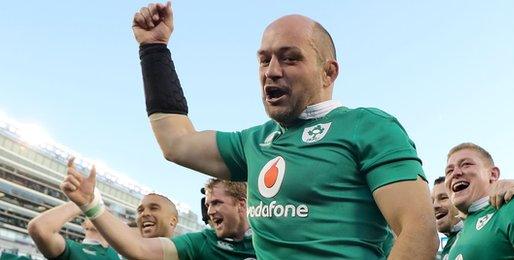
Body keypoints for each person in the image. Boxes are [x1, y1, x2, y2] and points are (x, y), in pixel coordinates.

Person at [129, 2, 438, 259]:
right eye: (264, 60)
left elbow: (419, 232)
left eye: (290, 59)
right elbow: (176, 142)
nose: (271, 71)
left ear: (328, 72)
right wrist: (154, 50)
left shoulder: (369, 126)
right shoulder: (254, 142)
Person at [60, 158, 255, 259]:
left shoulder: (270, 237)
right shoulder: (202, 242)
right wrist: (90, 204)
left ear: (241, 204)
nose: (210, 211)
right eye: (207, 205)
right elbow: (138, 249)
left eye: (216, 203)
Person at [27, 202, 119, 260]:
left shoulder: (118, 253)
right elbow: (39, 228)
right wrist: (84, 202)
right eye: (95, 209)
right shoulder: (72, 248)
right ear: (84, 224)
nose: (100, 214)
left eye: (106, 213)